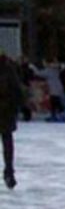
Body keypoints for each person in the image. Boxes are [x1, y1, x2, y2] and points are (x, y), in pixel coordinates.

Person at [0, 53, 24, 189]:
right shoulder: (8, 67)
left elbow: (16, 90)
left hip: (5, 111)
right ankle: (9, 171)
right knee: (7, 141)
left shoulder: (7, 68)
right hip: (6, 110)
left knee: (7, 141)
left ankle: (9, 171)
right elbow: (17, 90)